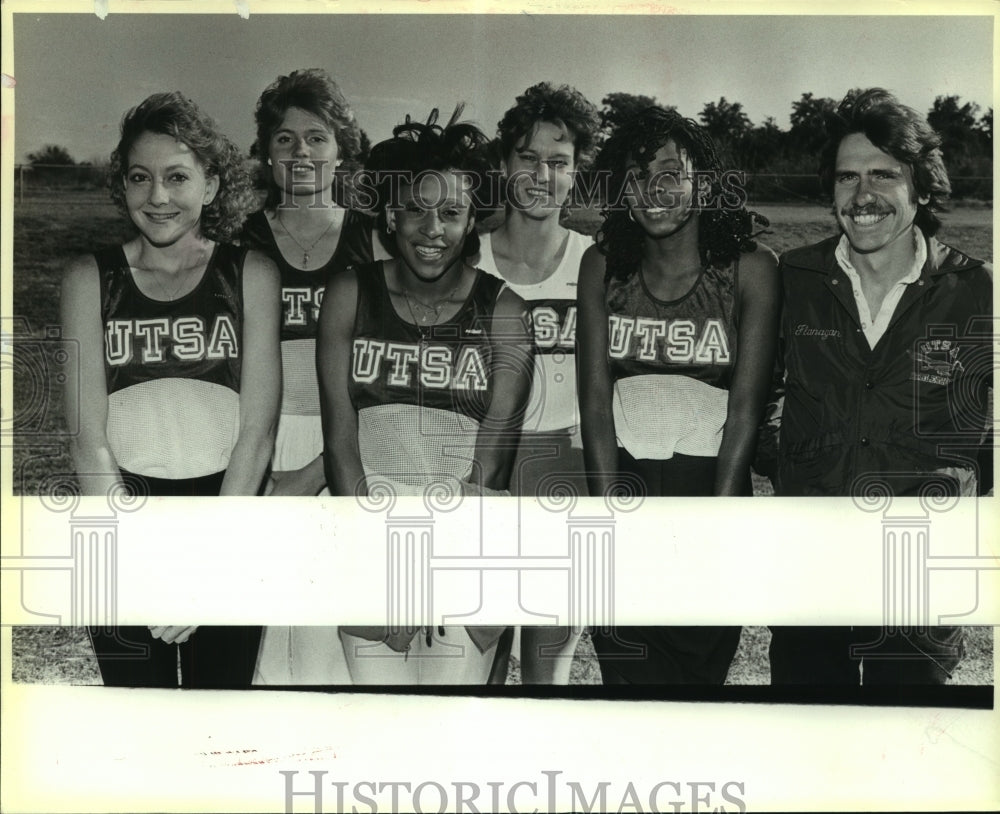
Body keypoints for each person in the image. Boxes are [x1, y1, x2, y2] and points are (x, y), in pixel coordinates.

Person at [767, 88, 992, 685]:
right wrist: (798, 470)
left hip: (919, 569)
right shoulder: (795, 278)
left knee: (906, 749)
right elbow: (754, 396)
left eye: (884, 175)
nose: (863, 195)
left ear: (920, 187)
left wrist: (955, 487)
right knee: (810, 746)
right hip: (812, 560)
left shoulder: (976, 289)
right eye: (846, 178)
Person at [60, 91, 281, 688]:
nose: (157, 196)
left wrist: (209, 568)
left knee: (219, 723)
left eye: (177, 177)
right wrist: (138, 566)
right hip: (120, 523)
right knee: (141, 727)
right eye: (140, 178)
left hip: (227, 519)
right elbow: (88, 441)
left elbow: (257, 435)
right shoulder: (90, 277)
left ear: (211, 186)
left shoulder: (250, 273)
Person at [316, 108, 534, 684]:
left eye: (451, 213)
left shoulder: (506, 312)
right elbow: (340, 439)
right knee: (379, 727)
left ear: (472, 224)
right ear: (391, 213)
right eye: (416, 208)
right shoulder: (348, 293)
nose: (432, 229)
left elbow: (492, 462)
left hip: (465, 539)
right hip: (369, 534)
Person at [576, 106, 779, 684]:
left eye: (669, 173)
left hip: (711, 485)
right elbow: (594, 404)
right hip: (625, 483)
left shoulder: (749, 268)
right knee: (628, 676)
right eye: (636, 176)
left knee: (695, 683)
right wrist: (607, 518)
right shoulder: (603, 265)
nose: (652, 190)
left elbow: (745, 409)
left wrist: (716, 526)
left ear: (704, 183)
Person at [243, 68, 373, 686]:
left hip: (346, 449)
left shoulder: (370, 240)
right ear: (266, 153)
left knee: (332, 638)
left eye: (317, 138)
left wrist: (319, 470)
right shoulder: (239, 244)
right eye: (286, 138)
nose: (301, 153)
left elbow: (382, 377)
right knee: (267, 642)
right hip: (259, 447)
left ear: (341, 150)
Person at [475, 82, 600, 684]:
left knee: (548, 665)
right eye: (527, 158)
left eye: (558, 162)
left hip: (565, 465)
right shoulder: (462, 257)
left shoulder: (596, 262)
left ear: (576, 175)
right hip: (482, 467)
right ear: (505, 163)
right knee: (481, 657)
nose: (541, 175)